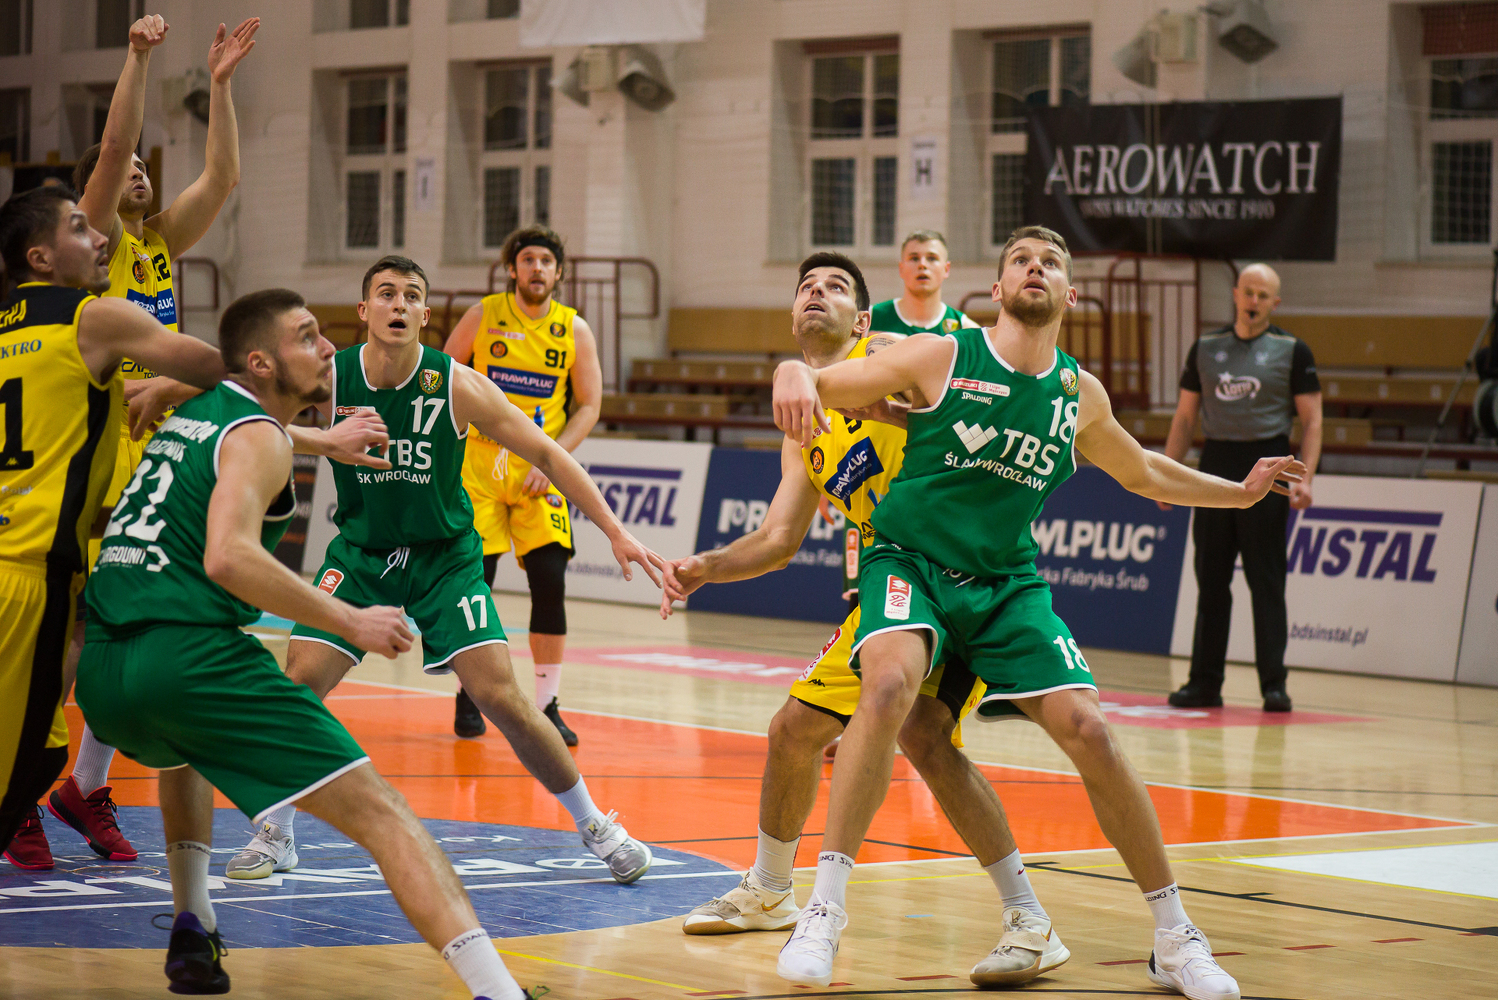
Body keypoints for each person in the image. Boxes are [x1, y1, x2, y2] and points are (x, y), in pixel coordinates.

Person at [771, 226, 1307, 998]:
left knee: (1090, 729)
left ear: (1069, 293)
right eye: (1020, 260)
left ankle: (1175, 936)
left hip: (1005, 584)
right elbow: (834, 376)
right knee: (888, 691)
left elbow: (1144, 470)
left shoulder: (1078, 393)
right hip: (910, 562)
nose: (1035, 268)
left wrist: (1241, 493)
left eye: (1050, 262)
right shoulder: (943, 355)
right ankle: (823, 910)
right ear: (996, 289)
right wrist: (792, 369)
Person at [76, 287, 537, 1000]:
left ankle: (194, 921)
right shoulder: (257, 434)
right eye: (306, 336)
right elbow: (228, 557)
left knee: (187, 745)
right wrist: (349, 620)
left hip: (104, 670)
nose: (327, 348)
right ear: (261, 363)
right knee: (386, 816)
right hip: (185, 659)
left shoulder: (196, 416)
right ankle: (499, 992)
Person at [659, 252, 1069, 988]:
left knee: (920, 737)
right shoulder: (803, 424)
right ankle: (772, 890)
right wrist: (706, 567)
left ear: (862, 320)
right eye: (806, 287)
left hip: (954, 572)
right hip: (893, 584)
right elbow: (778, 539)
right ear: (792, 316)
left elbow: (965, 393)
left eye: (837, 287)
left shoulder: (891, 360)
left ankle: (1024, 915)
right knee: (801, 732)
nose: (817, 293)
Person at [226, 256, 662, 888]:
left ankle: (596, 824)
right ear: (364, 311)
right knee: (298, 686)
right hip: (362, 556)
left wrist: (615, 530)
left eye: (411, 296)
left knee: (501, 697)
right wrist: (325, 441)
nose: (399, 305)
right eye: (386, 294)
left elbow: (546, 451)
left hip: (444, 559)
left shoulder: (456, 384)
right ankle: (276, 829)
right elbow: (251, 423)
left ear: (425, 315)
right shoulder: (330, 377)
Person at [15, 13, 259, 871]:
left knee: (129, 625)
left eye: (152, 173)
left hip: (150, 456)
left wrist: (221, 87)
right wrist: (139, 60)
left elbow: (223, 177)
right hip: (86, 447)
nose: (143, 177)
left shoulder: (156, 246)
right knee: (70, 633)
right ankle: (27, 782)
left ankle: (81, 784)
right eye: (128, 173)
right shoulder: (100, 243)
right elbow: (117, 147)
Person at [0, 185, 225, 860]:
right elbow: (225, 366)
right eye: (78, 227)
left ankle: (79, 789)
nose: (98, 237)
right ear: (40, 257)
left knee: (38, 746)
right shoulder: (92, 318)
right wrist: (169, 384)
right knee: (29, 759)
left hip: (29, 554)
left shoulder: (11, 330)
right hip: (33, 571)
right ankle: (67, 793)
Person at [442, 226, 601, 745]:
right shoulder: (482, 315)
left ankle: (548, 704)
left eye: (546, 261)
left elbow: (589, 406)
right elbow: (440, 377)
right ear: (512, 269)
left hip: (538, 469)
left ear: (559, 272)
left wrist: (554, 460)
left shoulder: (573, 329)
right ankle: (469, 691)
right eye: (528, 259)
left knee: (550, 580)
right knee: (476, 585)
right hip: (478, 467)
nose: (537, 268)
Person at [1161, 263, 1321, 713]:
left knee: (1265, 581)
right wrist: (1166, 477)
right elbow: (1185, 418)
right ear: (1234, 294)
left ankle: (1274, 685)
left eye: (1263, 295)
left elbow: (1312, 421)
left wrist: (1306, 478)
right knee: (1211, 579)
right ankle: (1204, 683)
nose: (1253, 301)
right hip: (1216, 466)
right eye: (1248, 292)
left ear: (1275, 303)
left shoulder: (1292, 351)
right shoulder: (1206, 348)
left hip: (1268, 466)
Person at [868, 230, 981, 338]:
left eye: (932, 258)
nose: (922, 265)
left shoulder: (966, 329)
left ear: (946, 269)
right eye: (914, 258)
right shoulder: (869, 319)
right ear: (901, 269)